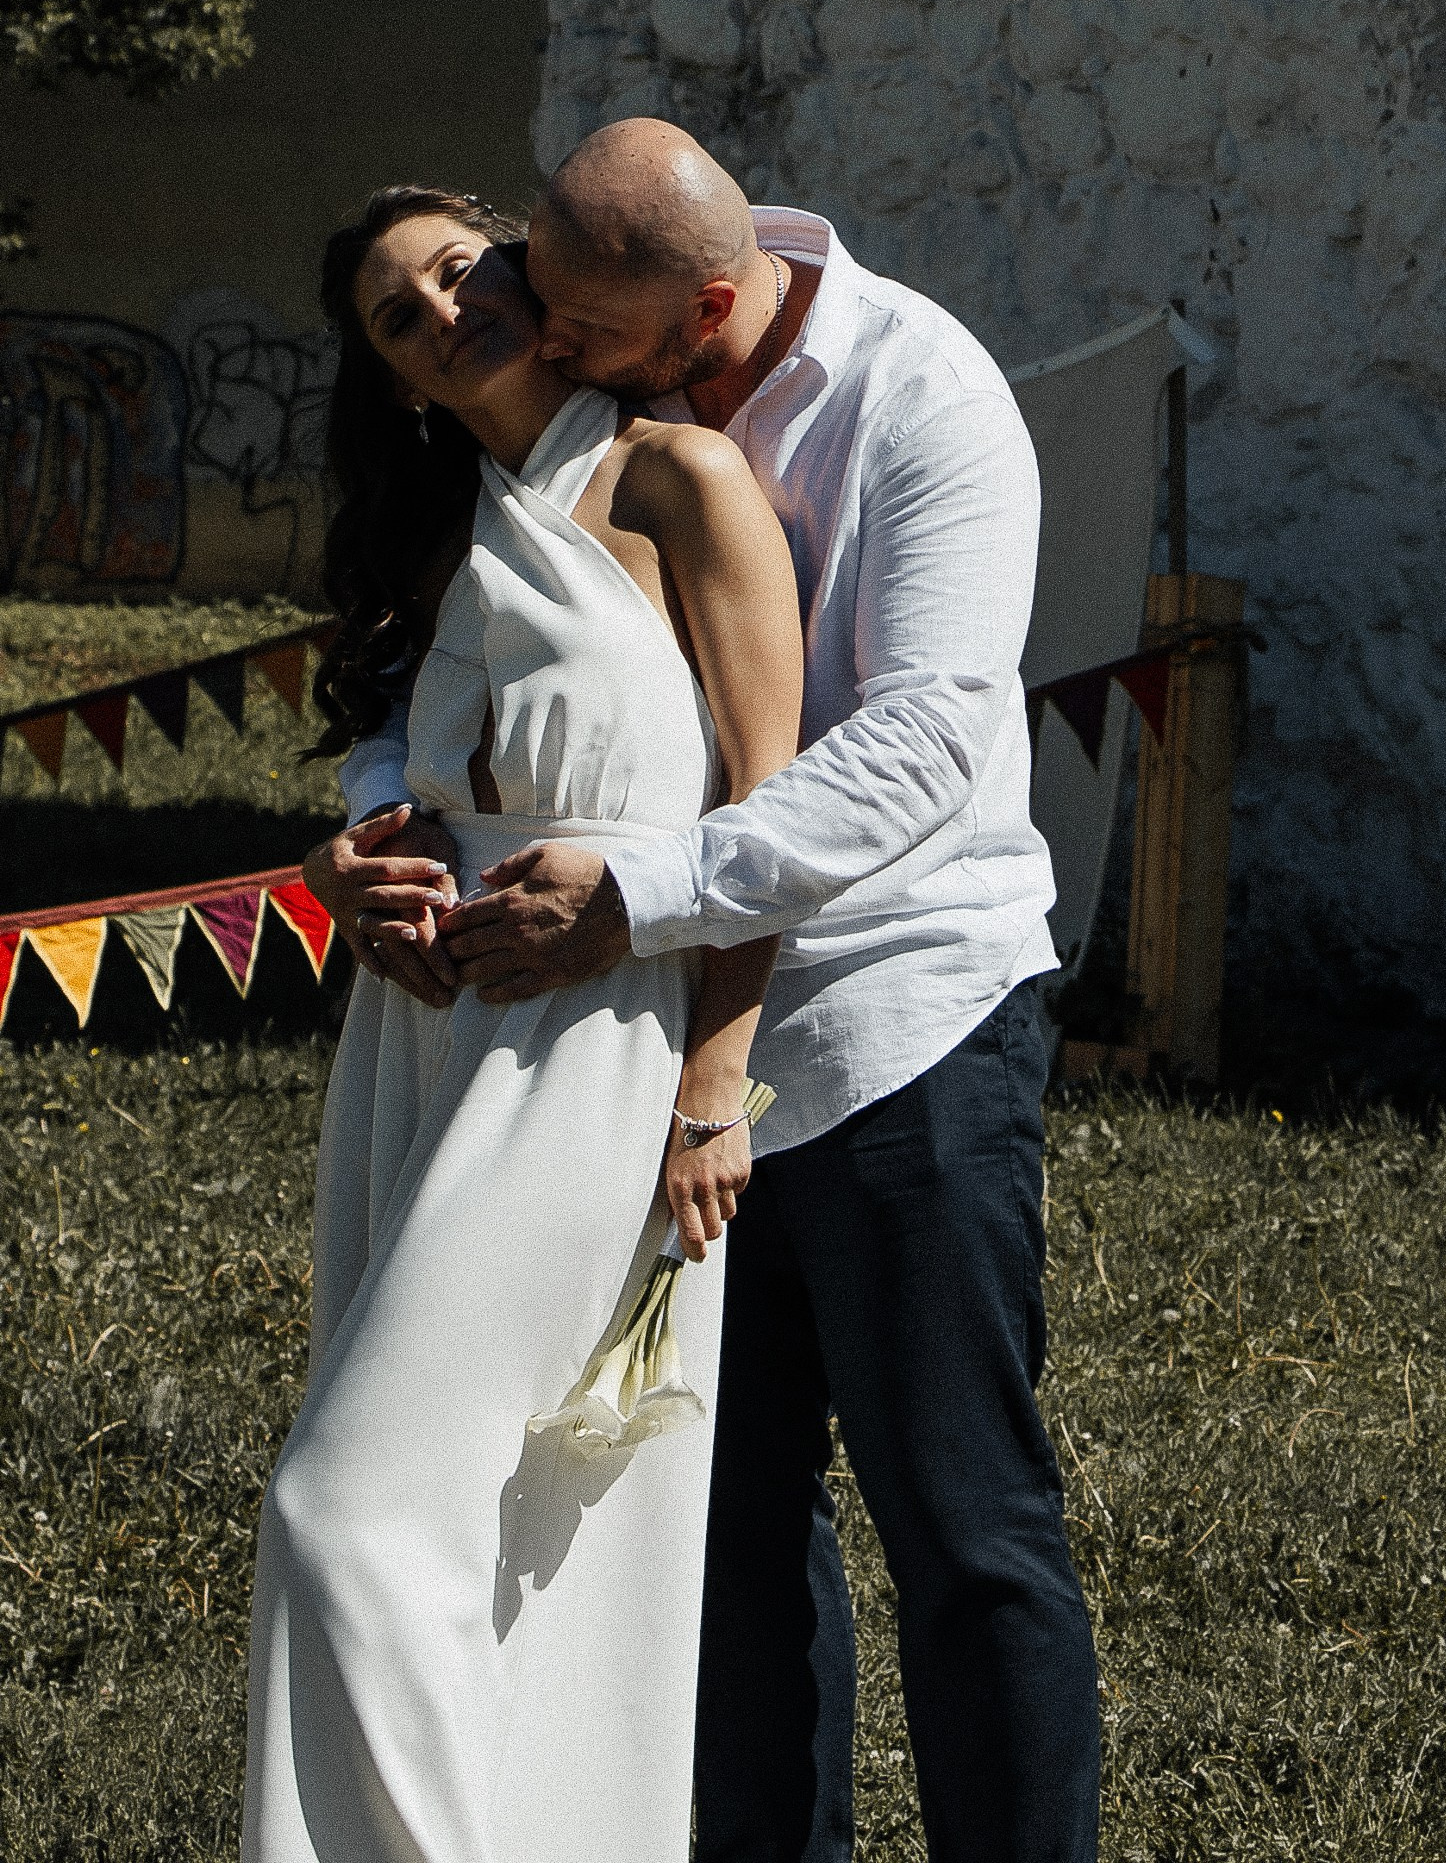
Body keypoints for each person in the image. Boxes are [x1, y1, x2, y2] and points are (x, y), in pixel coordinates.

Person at [308, 122, 1100, 1863]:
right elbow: (457, 674)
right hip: (640, 1053)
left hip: (902, 1018)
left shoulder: (922, 398)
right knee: (717, 1537)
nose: (539, 336)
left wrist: (640, 901)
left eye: (581, 328)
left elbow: (912, 749)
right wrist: (374, 819)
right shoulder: (565, 401)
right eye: (533, 296)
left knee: (962, 1526)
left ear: (710, 309)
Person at [249, 183, 806, 1863]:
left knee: (341, 1506)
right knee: (482, 1526)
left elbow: (769, 810)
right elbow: (403, 772)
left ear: (519, 262)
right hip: (416, 1043)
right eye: (397, 320)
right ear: (398, 379)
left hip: (596, 1050)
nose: (440, 312)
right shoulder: (443, 535)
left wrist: (719, 1075)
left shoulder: (680, 480)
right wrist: (349, 868)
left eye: (453, 269)